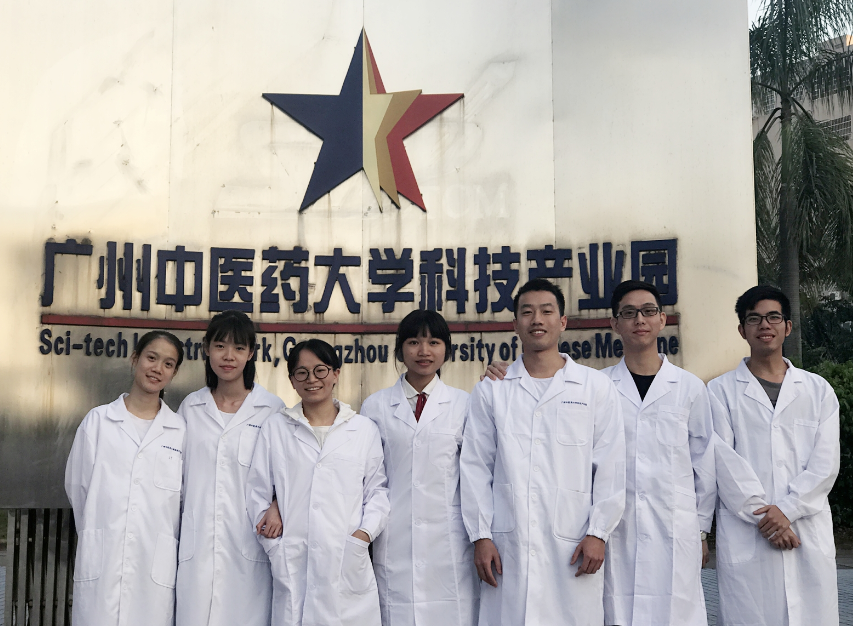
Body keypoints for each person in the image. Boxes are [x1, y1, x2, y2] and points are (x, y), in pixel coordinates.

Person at [460, 278, 626, 626]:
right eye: (527, 312)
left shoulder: (595, 387)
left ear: (562, 322)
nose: (537, 319)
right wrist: (481, 536)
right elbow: (476, 467)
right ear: (515, 323)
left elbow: (610, 465)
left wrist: (598, 531)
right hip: (509, 544)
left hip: (574, 543)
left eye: (547, 311)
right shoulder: (492, 390)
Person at [709, 285, 840, 625]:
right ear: (742, 330)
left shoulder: (817, 390)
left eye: (773, 317)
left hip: (805, 527)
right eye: (754, 319)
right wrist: (770, 522)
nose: (764, 325)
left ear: (787, 326)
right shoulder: (719, 392)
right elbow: (724, 464)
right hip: (749, 532)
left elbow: (825, 464)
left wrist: (789, 510)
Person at [246, 339, 390, 626]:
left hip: (346, 561)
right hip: (293, 561)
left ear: (336, 373)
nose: (311, 379)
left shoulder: (363, 429)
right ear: (292, 380)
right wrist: (275, 546)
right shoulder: (276, 428)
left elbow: (376, 492)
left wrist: (362, 536)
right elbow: (257, 490)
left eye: (320, 370)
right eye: (302, 373)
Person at [601, 280, 715, 625]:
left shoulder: (689, 387)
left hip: (675, 527)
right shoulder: (600, 387)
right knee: (617, 610)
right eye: (629, 313)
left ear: (662, 320)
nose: (640, 319)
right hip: (616, 530)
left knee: (675, 612)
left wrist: (700, 530)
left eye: (648, 311)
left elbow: (704, 463)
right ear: (615, 323)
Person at [361, 310, 479, 626]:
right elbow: (365, 477)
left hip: (449, 541)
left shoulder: (464, 404)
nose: (424, 351)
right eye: (414, 342)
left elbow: (476, 475)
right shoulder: (375, 406)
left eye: (433, 342)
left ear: (446, 350)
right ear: (400, 350)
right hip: (394, 537)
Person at [65, 330, 185, 626]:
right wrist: (99, 532)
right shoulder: (98, 421)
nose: (157, 369)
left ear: (174, 373)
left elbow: (182, 500)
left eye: (168, 364)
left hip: (153, 568)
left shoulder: (180, 430)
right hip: (102, 561)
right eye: (151, 358)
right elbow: (78, 489)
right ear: (135, 359)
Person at [176, 310, 286, 626]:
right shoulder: (191, 407)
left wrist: (278, 504)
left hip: (249, 543)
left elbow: (290, 473)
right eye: (220, 346)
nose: (228, 356)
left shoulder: (271, 409)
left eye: (239, 348)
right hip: (197, 545)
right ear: (206, 349)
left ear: (251, 354)